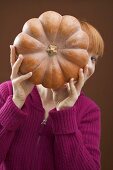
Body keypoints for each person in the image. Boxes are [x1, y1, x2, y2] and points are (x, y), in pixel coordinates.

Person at [0, 21, 104, 170]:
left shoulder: (89, 111)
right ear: (58, 51)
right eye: (82, 54)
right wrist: (16, 102)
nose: (88, 66)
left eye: (93, 59)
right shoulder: (7, 92)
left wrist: (65, 114)